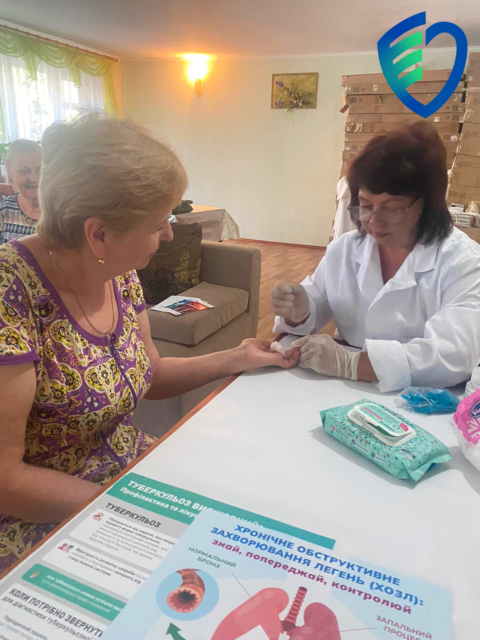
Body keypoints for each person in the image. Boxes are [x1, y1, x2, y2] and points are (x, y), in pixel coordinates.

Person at [0, 114, 298, 573]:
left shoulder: (116, 273)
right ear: (98, 234)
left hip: (124, 473)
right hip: (44, 514)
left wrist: (237, 357)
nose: (169, 234)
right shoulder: (11, 292)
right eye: (159, 223)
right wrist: (128, 510)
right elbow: (7, 482)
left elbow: (149, 372)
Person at [272, 121, 480, 393]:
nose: (374, 221)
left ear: (428, 204)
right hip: (341, 390)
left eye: (392, 208)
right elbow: (317, 302)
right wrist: (299, 312)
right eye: (366, 205)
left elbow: (454, 355)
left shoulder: (464, 262)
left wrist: (352, 364)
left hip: (424, 399)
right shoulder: (345, 249)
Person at [0, 139, 42, 243]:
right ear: (10, 172)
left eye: (39, 170)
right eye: (25, 171)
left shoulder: (60, 211)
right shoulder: (5, 209)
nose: (34, 178)